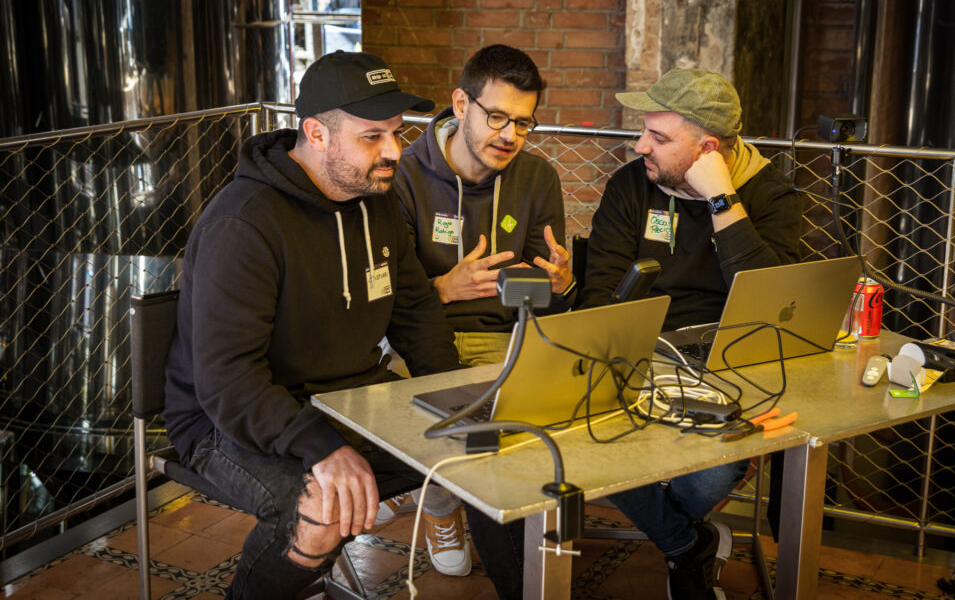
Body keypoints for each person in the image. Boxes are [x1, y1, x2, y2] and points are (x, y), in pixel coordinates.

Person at [162, 51, 476, 599]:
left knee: (492, 452)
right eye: (372, 136)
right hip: (227, 418)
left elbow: (416, 315)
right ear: (317, 133)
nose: (393, 152)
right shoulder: (243, 223)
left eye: (397, 134)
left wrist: (461, 401)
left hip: (349, 397)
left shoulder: (372, 200)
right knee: (321, 513)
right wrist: (324, 447)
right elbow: (227, 380)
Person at [577, 68, 802, 600]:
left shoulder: (771, 196)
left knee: (706, 478)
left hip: (730, 366)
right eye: (644, 132)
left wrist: (723, 201)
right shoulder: (632, 185)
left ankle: (676, 537)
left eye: (658, 138)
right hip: (637, 354)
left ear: (707, 149)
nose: (639, 146)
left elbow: (770, 303)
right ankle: (687, 546)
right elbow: (599, 293)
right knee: (587, 443)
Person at [385, 44, 574, 599]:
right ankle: (444, 505)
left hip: (507, 339)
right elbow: (384, 293)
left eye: (522, 122)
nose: (509, 135)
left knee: (527, 446)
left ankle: (541, 547)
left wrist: (561, 283)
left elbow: (545, 296)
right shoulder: (404, 174)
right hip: (422, 337)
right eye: (496, 117)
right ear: (460, 103)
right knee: (468, 443)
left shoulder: (537, 176)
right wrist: (444, 287)